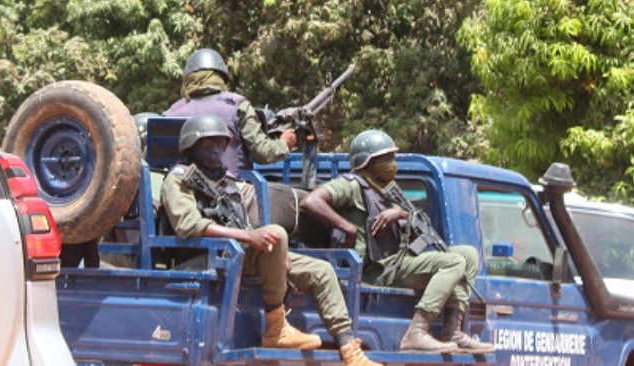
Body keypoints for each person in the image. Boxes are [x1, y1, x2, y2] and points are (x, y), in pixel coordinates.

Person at [160, 114, 380, 366]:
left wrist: (274, 254)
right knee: (275, 234)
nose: (217, 149)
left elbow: (245, 224)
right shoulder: (179, 178)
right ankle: (276, 328)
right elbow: (188, 225)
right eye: (208, 143)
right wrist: (250, 237)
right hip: (205, 255)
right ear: (191, 146)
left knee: (321, 270)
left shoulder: (226, 180)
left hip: (237, 253)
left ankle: (350, 349)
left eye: (221, 143)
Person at [300, 130, 493, 354]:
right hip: (375, 269)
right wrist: (347, 227)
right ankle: (417, 333)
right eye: (386, 159)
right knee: (451, 263)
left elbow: (419, 234)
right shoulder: (351, 185)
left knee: (467, 254)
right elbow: (311, 201)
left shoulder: (386, 190)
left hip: (396, 262)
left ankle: (452, 332)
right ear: (368, 162)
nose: (392, 164)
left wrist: (400, 214)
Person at [165, 48, 296, 175]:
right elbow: (262, 153)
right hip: (231, 190)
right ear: (221, 77)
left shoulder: (171, 113)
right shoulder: (238, 105)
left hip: (181, 190)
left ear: (189, 79)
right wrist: (284, 143)